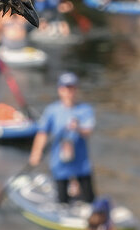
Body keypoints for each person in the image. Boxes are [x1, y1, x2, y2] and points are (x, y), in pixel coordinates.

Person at [29, 72, 96, 204]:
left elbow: (88, 131)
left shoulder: (85, 110)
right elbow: (42, 133)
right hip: (59, 162)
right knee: (62, 200)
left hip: (81, 162)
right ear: (60, 90)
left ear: (76, 89)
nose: (68, 92)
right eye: (65, 88)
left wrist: (77, 127)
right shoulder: (52, 111)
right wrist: (36, 152)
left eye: (72, 88)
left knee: (89, 199)